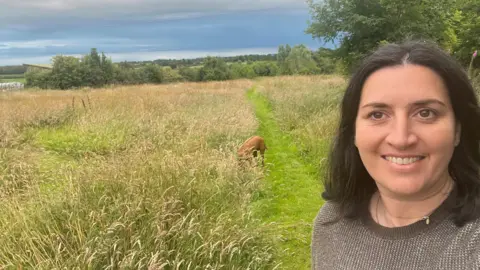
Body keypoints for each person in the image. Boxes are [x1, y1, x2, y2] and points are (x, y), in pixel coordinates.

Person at [311, 40, 480, 269]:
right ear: (353, 133)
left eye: (425, 113)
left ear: (458, 130)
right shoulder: (331, 223)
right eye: (378, 115)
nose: (401, 139)